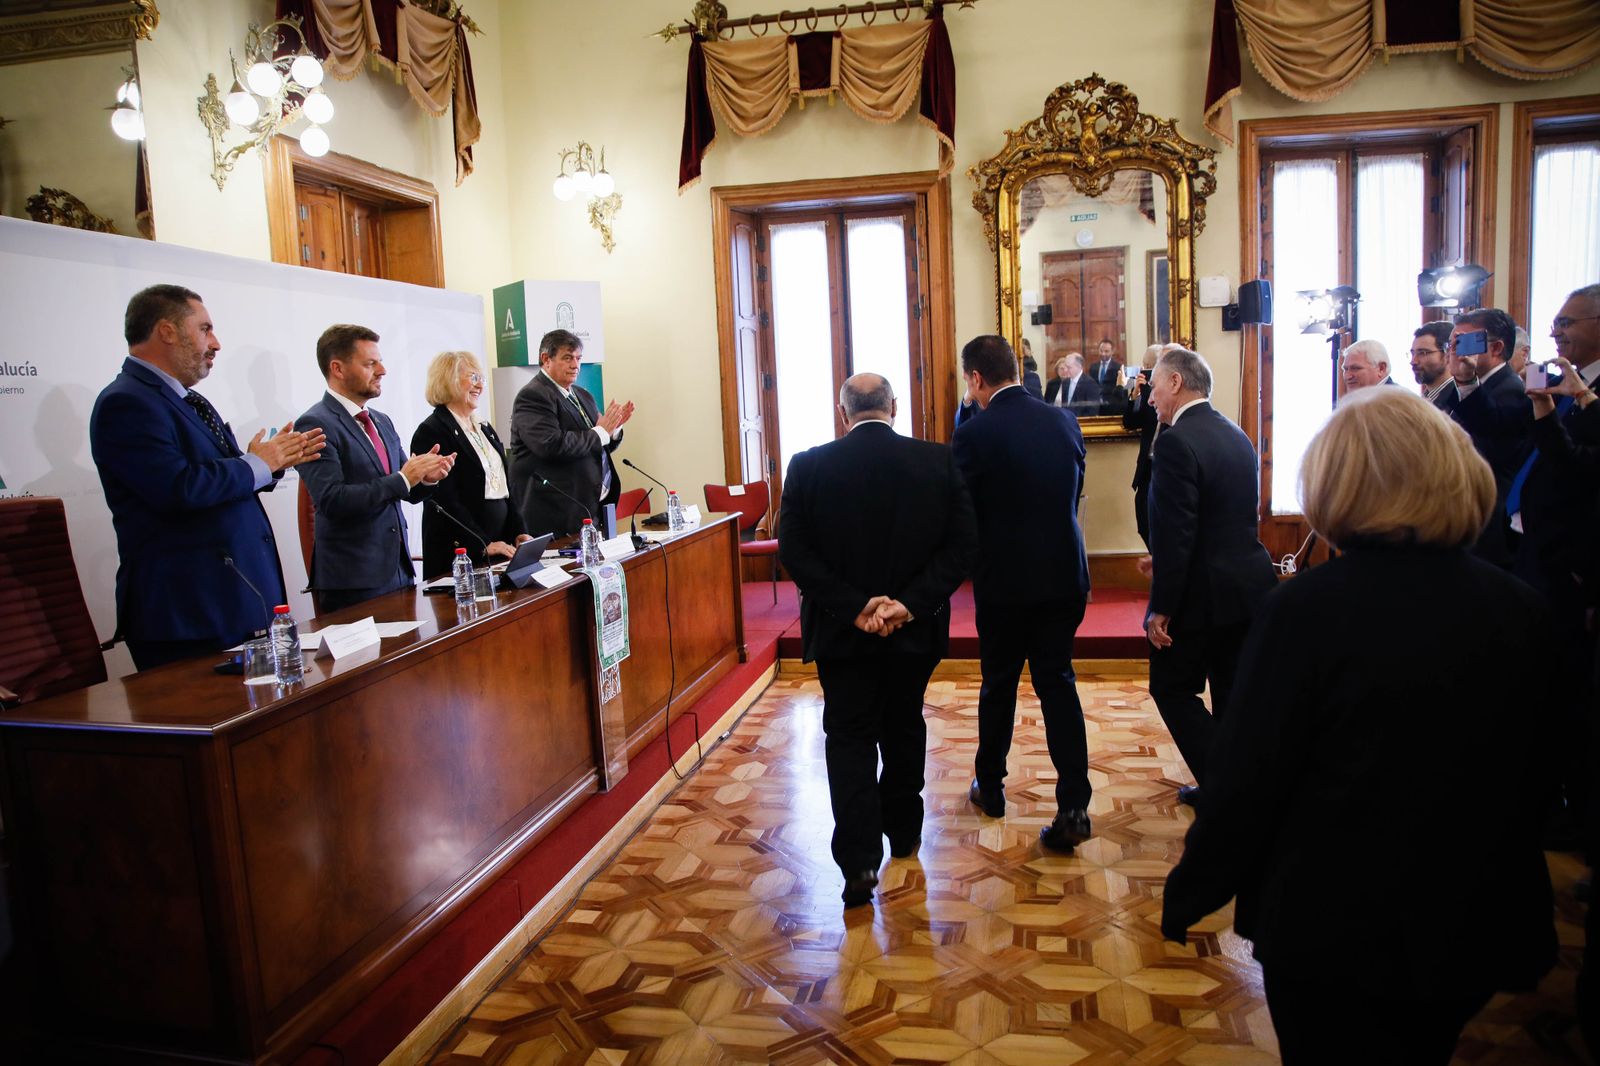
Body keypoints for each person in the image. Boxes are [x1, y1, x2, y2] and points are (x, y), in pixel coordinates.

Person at [1162, 387, 1556, 1065]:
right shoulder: (1520, 608)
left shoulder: (1308, 611)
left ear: (1338, 483)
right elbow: (1547, 771)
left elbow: (1251, 775)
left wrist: (1195, 886)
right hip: (1471, 913)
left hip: (1334, 921)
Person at [778, 373, 976, 907]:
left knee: (849, 737)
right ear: (894, 406)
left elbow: (794, 552)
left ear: (843, 413)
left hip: (843, 635)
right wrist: (907, 604)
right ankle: (905, 832)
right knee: (905, 722)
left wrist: (853, 608)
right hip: (914, 631)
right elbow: (962, 547)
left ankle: (860, 861)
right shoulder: (938, 461)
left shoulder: (808, 466)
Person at [90, 285, 326, 670]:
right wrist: (254, 464)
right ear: (166, 331)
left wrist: (268, 466)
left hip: (232, 603)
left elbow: (215, 482)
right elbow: (177, 487)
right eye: (204, 329)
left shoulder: (186, 399)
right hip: (189, 614)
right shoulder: (127, 402)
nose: (215, 343)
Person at [953, 335, 1094, 852]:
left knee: (999, 684)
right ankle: (1075, 804)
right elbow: (1073, 491)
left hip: (1005, 581)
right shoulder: (1064, 420)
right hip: (1063, 574)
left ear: (975, 379)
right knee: (1058, 683)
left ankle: (990, 786)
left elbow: (960, 507)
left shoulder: (976, 434)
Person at [1141, 346, 1276, 805]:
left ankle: (1227, 791)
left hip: (1204, 595)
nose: (1150, 397)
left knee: (1172, 689)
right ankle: (1244, 785)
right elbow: (1224, 518)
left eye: (1155, 386)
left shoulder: (1176, 440)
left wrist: (1161, 607)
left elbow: (1179, 533)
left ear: (1176, 383)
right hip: (1248, 588)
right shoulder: (1235, 432)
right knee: (1232, 694)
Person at [295, 324, 455, 613]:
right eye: (370, 363)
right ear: (338, 369)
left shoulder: (381, 421)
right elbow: (332, 500)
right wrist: (404, 478)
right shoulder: (315, 424)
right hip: (354, 580)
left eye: (380, 361)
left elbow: (405, 490)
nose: (382, 370)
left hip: (399, 571)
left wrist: (426, 480)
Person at [410, 351, 533, 578]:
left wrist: (520, 531)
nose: (480, 385)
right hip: (462, 553)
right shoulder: (432, 430)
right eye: (473, 378)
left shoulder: (484, 428)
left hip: (500, 548)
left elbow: (506, 487)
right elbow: (444, 500)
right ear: (449, 379)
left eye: (481, 379)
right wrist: (482, 543)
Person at [506, 329, 633, 539]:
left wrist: (613, 430)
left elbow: (596, 443)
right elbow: (551, 445)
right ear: (546, 359)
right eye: (567, 358)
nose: (575, 365)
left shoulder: (582, 395)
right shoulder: (533, 395)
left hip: (589, 506)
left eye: (578, 358)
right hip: (555, 510)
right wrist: (601, 431)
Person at [1448, 307, 1533, 568]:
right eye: (1450, 343)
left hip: (1490, 520)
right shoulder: (1476, 385)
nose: (1452, 350)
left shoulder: (1510, 389)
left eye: (1462, 342)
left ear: (1496, 348)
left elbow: (1488, 450)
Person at [1123, 344, 1163, 548]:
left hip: (1165, 466)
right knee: (1143, 523)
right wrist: (1135, 394)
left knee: (1162, 526)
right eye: (1146, 366)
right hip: (1146, 467)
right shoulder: (1146, 391)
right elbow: (1130, 422)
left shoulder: (1170, 394)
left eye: (1152, 367)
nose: (1148, 370)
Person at [1410, 321, 1457, 411]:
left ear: (1448, 354)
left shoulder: (1458, 400)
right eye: (1413, 353)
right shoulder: (1424, 399)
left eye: (1422, 353)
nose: (1413, 361)